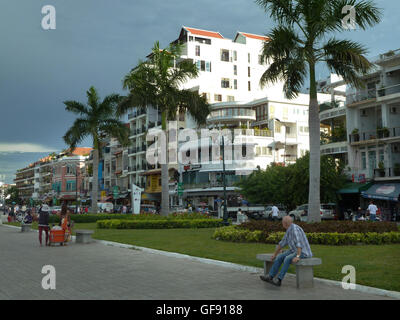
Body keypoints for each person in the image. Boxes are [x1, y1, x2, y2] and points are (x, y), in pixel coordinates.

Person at [260, 216, 312, 287]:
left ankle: (279, 280)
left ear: (284, 223)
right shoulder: (289, 230)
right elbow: (282, 243)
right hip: (294, 250)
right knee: (280, 257)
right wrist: (275, 254)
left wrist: (297, 256)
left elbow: (299, 244)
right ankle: (270, 276)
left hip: (303, 252)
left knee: (287, 258)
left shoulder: (295, 230)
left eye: (282, 222)